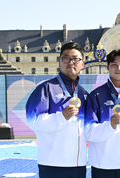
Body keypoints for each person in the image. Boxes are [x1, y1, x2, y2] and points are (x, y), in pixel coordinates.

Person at [26, 42, 89, 178]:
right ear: (59, 62)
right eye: (66, 58)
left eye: (76, 59)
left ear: (82, 64)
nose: (71, 62)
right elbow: (33, 121)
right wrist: (62, 117)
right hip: (52, 164)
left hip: (78, 164)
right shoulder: (45, 88)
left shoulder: (84, 93)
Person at [84, 49, 120, 178]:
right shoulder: (96, 95)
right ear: (107, 67)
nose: (119, 68)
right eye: (114, 64)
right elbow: (88, 131)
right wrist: (109, 126)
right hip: (104, 164)